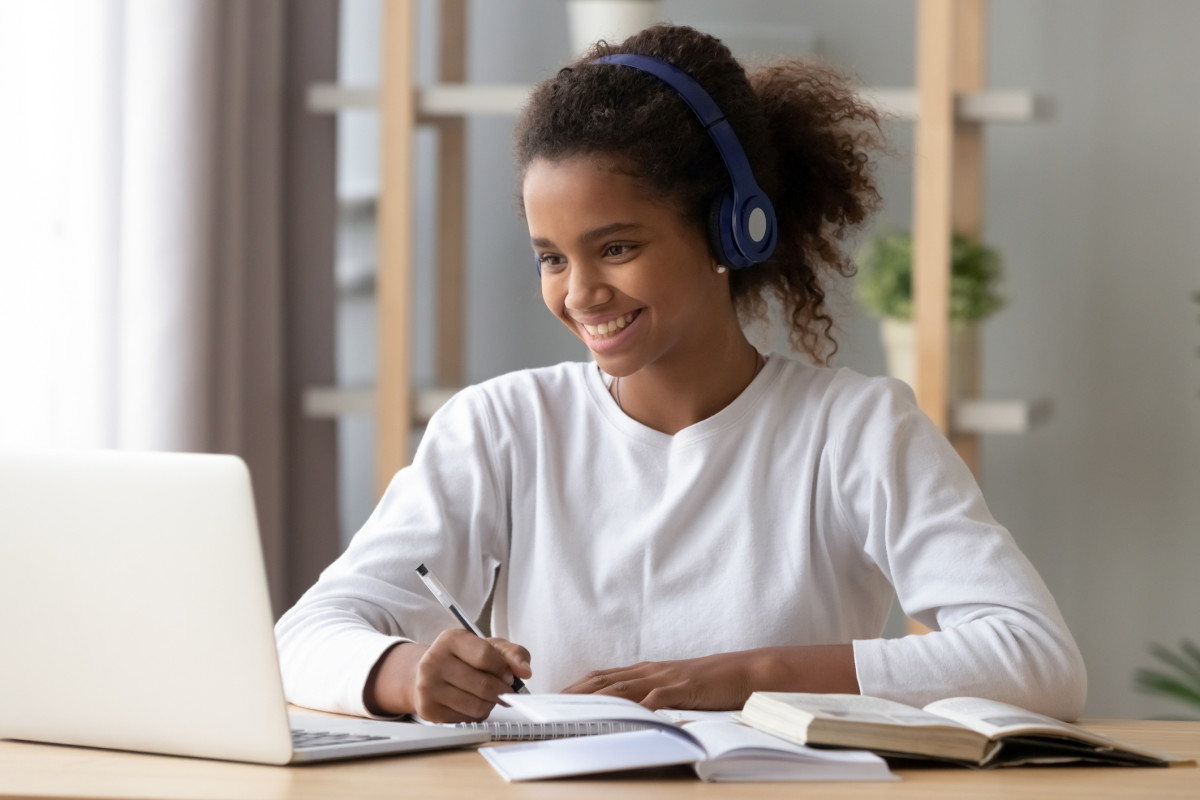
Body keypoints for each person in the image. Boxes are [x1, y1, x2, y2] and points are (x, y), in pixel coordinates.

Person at [275, 25, 1086, 725]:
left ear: (733, 232)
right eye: (551, 259)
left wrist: (751, 676)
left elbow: (1039, 660)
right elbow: (300, 639)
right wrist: (403, 673)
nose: (580, 292)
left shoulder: (858, 430)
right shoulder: (502, 427)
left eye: (617, 248)